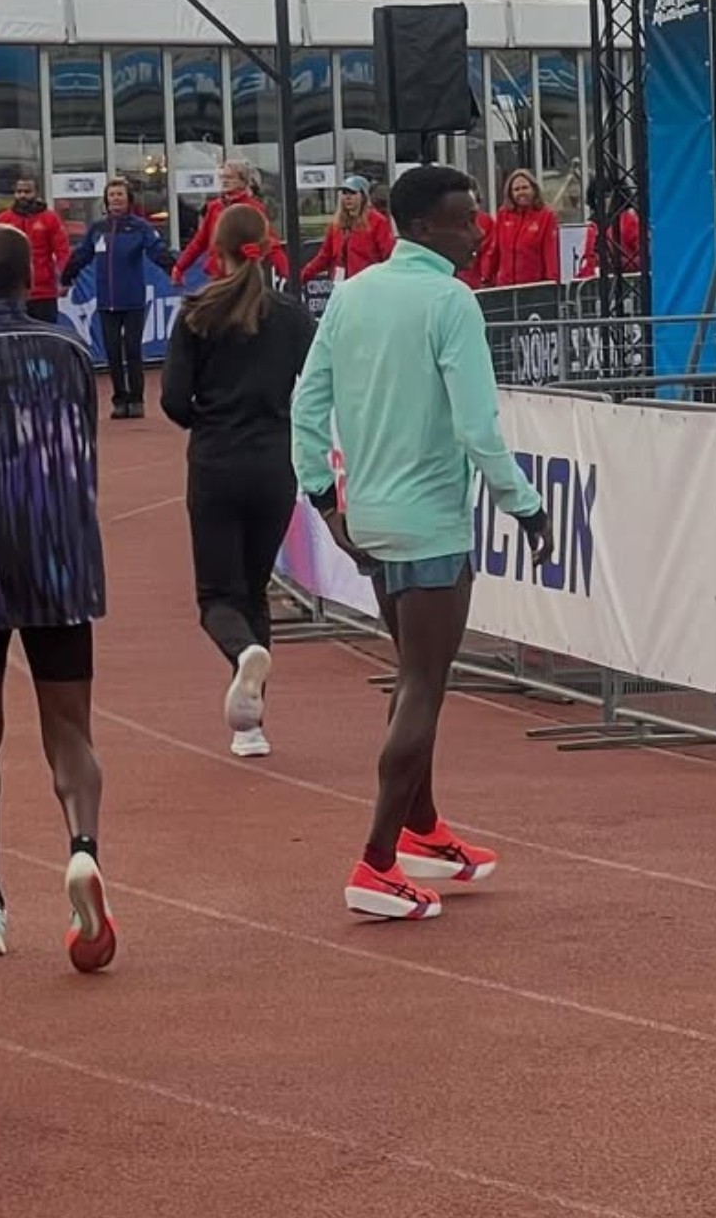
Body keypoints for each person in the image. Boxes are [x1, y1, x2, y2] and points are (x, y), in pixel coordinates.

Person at [290, 164, 553, 921]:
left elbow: (308, 405)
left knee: (413, 676)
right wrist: (527, 507)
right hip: (430, 522)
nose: (479, 229)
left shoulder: (354, 292)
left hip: (367, 518)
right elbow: (477, 427)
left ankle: (420, 828)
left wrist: (322, 499)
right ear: (429, 227)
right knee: (423, 688)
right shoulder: (451, 300)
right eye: (467, 218)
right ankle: (374, 861)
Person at [0, 225, 113, 969]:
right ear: (31, 275)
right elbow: (88, 446)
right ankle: (82, 848)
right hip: (63, 554)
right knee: (70, 725)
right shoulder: (72, 350)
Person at [161, 203, 317, 759]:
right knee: (253, 591)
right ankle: (249, 723)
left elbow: (174, 401)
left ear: (216, 252)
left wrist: (210, 417)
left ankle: (246, 663)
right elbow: (317, 388)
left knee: (217, 597)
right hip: (275, 464)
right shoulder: (295, 318)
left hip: (216, 463)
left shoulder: (197, 315)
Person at [62, 177, 176, 419]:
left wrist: (173, 270)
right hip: (106, 302)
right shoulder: (97, 229)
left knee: (133, 350)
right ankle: (119, 399)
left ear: (128, 199)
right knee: (112, 352)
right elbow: (81, 255)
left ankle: (136, 399)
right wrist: (66, 278)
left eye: (120, 194)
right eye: (111, 195)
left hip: (133, 299)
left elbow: (157, 251)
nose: (115, 199)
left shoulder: (140, 227)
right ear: (106, 200)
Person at [173, 161, 289, 284]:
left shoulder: (253, 207)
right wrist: (180, 267)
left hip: (242, 273)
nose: (224, 181)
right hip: (217, 274)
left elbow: (270, 242)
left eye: (229, 177)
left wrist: (286, 274)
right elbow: (199, 242)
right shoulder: (214, 207)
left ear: (242, 181)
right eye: (222, 177)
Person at [0, 174, 70, 323]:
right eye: (19, 191)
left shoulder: (50, 218)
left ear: (36, 193)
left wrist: (65, 278)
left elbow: (62, 251)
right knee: (16, 342)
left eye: (27, 192)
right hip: (12, 292)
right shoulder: (2, 220)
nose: (22, 195)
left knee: (45, 339)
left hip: (43, 292)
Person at [299, 175, 395, 289]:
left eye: (352, 193)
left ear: (363, 196)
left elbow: (389, 257)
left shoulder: (377, 222)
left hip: (367, 286)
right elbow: (323, 257)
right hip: (341, 286)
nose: (347, 197)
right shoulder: (336, 225)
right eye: (344, 193)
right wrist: (300, 277)